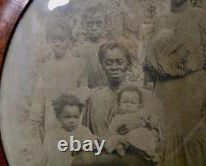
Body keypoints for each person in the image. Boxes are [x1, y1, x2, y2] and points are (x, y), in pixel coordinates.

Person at [72, 41, 163, 166]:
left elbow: (159, 135)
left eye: (119, 62)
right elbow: (87, 133)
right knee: (80, 161)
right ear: (102, 65)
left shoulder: (145, 96)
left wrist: (140, 123)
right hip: (102, 155)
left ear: (128, 64)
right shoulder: (94, 99)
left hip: (135, 156)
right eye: (108, 63)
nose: (114, 67)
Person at [145, 28, 206, 166]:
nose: (184, 53)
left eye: (181, 48)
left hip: (195, 142)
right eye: (173, 52)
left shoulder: (200, 77)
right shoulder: (159, 84)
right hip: (168, 143)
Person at [105, 86, 163, 164]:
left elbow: (152, 122)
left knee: (144, 136)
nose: (128, 105)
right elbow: (112, 129)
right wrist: (112, 135)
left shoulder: (141, 113)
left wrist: (143, 123)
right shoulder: (117, 118)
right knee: (113, 139)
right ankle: (120, 146)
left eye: (132, 103)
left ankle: (150, 153)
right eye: (125, 102)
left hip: (138, 137)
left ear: (139, 106)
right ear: (119, 105)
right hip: (122, 138)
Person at [41, 94, 94, 166]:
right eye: (67, 117)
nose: (72, 121)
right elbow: (45, 158)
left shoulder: (84, 132)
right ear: (58, 117)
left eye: (75, 117)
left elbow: (92, 153)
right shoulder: (53, 135)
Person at [71, 2, 108, 89]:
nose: (94, 28)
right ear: (83, 25)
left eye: (98, 23)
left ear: (105, 23)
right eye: (90, 23)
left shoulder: (111, 48)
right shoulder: (77, 52)